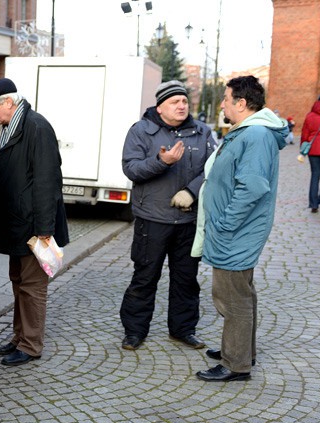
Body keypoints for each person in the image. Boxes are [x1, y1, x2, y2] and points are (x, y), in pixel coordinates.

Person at [192, 75, 288, 382]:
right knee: (241, 293)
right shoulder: (248, 132)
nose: (222, 103)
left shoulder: (256, 135)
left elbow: (252, 187)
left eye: (225, 98)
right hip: (235, 230)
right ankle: (241, 350)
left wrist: (225, 223)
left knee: (231, 297)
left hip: (235, 231)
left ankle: (236, 364)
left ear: (241, 103)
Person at [118, 80, 216, 351]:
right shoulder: (141, 131)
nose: (182, 105)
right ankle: (134, 331)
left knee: (186, 279)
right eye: (175, 102)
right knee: (145, 276)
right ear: (160, 107)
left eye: (184, 101)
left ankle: (183, 329)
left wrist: (192, 191)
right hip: (152, 218)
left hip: (187, 220)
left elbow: (213, 168)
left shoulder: (202, 132)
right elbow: (131, 169)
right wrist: (162, 162)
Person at [0, 78, 69, 367]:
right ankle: (19, 337)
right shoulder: (12, 126)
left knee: (32, 287)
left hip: (33, 227)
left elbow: (47, 182)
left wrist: (44, 230)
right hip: (17, 224)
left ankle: (31, 344)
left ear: (8, 102)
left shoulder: (36, 127)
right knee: (19, 283)